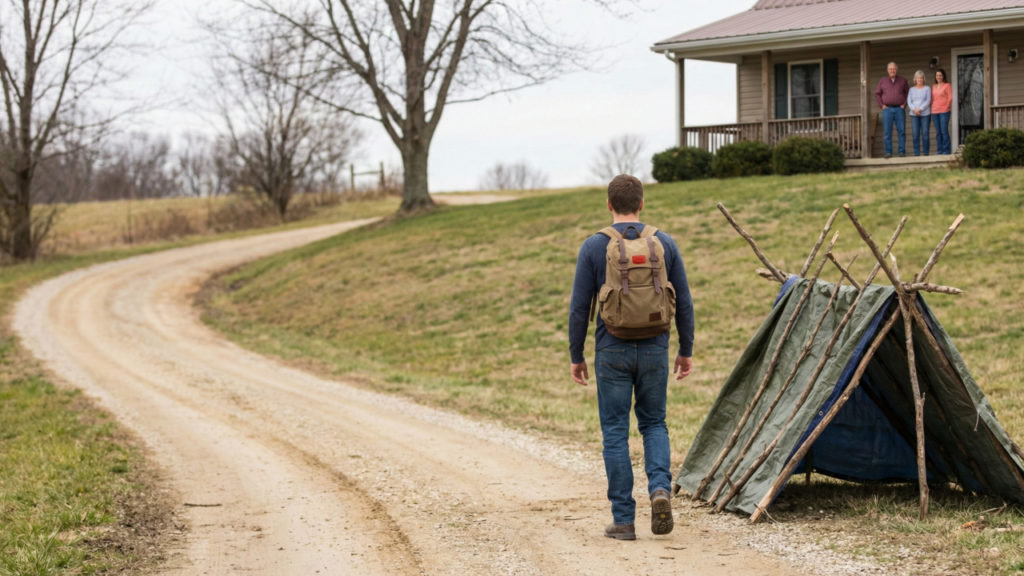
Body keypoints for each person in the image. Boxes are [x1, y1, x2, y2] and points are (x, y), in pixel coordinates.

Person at [568, 174, 694, 541]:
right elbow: (683, 301)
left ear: (609, 205)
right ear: (641, 204)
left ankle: (623, 520)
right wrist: (685, 351)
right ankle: (659, 490)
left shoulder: (594, 246)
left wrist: (577, 356)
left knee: (615, 432)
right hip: (656, 346)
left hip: (611, 350)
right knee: (654, 424)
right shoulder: (664, 243)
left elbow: (580, 308)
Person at [875, 62, 910, 158]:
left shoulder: (903, 80)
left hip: (900, 109)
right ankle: (888, 152)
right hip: (887, 109)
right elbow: (877, 94)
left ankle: (901, 152)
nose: (892, 70)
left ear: (897, 70)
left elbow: (908, 93)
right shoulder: (882, 81)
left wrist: (905, 104)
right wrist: (881, 105)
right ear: (887, 70)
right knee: (887, 132)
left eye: (894, 69)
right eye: (890, 69)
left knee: (901, 131)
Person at [908, 70, 932, 156]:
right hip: (914, 114)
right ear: (915, 79)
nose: (919, 79)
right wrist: (914, 109)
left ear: (923, 79)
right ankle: (916, 153)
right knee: (915, 134)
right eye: (918, 78)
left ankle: (926, 153)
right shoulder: (911, 89)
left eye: (921, 78)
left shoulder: (927, 89)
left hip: (925, 114)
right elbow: (909, 101)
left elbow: (928, 100)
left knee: (925, 133)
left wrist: (920, 109)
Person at [932, 68, 952, 155]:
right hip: (934, 112)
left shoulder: (947, 85)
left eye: (940, 75)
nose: (938, 77)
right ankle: (939, 150)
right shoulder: (934, 86)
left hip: (944, 111)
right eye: (937, 75)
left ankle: (946, 150)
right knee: (938, 132)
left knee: (944, 131)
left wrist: (946, 108)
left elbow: (950, 98)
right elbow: (933, 99)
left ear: (943, 76)